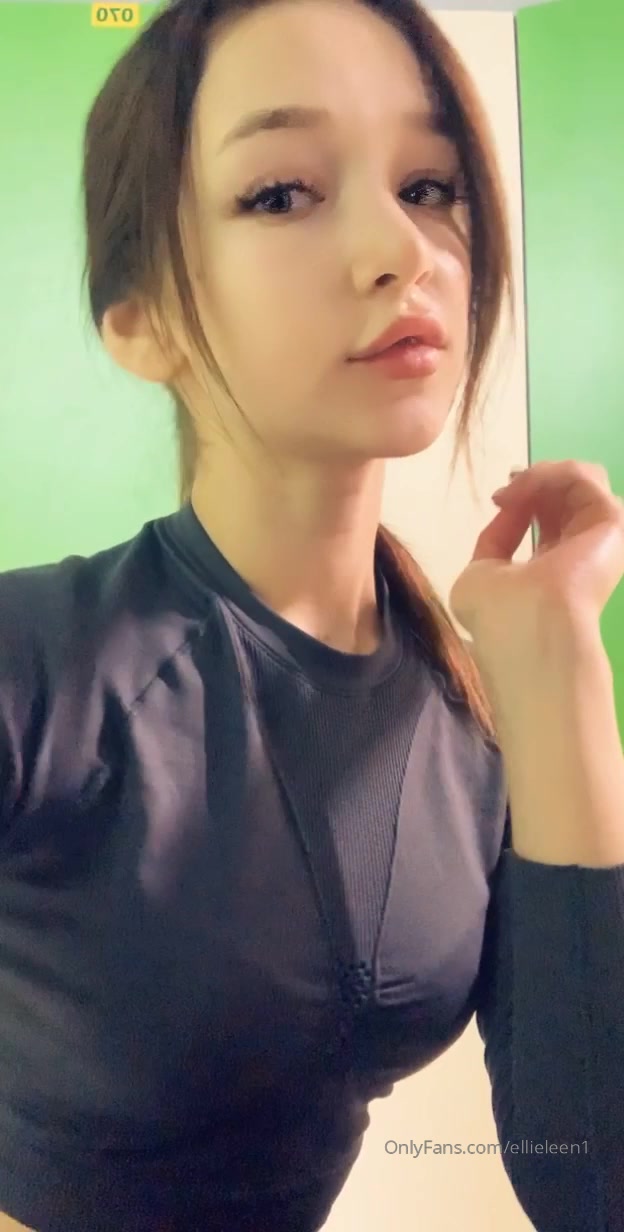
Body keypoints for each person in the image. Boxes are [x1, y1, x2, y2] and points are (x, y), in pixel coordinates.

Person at [1, 0, 624, 1229]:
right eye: (282, 192)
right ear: (141, 319)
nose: (404, 247)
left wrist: (562, 670)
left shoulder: (477, 710)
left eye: (431, 185)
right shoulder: (38, 662)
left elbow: (589, 1178)